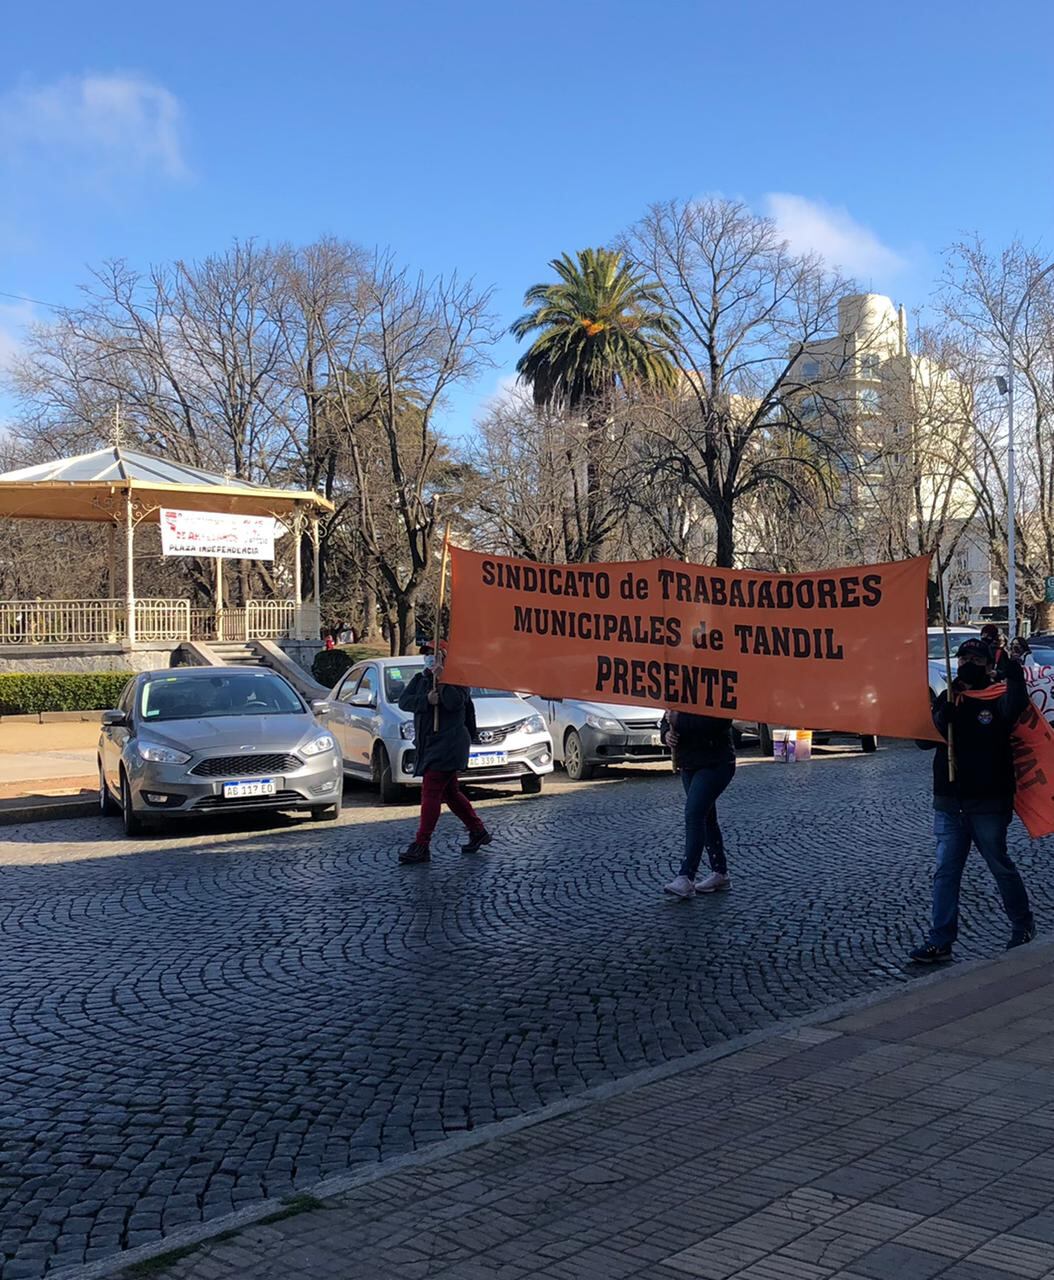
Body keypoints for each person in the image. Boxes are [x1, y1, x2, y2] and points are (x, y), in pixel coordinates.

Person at [909, 637, 1035, 962]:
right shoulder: (948, 698)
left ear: (988, 666)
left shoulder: (998, 700)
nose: (967, 664)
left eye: (976, 660)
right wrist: (940, 719)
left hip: (988, 802)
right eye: (963, 658)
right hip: (950, 802)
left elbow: (1017, 704)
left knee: (1000, 866)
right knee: (946, 873)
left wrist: (1014, 669)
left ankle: (1023, 926)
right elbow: (922, 742)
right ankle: (940, 940)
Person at [397, 644, 491, 864]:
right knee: (450, 793)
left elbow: (455, 702)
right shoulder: (421, 679)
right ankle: (478, 831)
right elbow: (404, 701)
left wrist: (442, 680)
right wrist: (426, 700)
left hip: (449, 744)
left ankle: (422, 844)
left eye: (434, 654)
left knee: (431, 792)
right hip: (429, 743)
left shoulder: (457, 679)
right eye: (427, 654)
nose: (429, 658)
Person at [661, 709, 737, 898]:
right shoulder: (678, 692)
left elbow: (718, 722)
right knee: (706, 816)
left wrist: (679, 720)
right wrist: (666, 734)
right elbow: (666, 718)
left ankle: (687, 875)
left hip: (715, 762)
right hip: (689, 762)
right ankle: (720, 872)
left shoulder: (714, 688)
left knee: (694, 813)